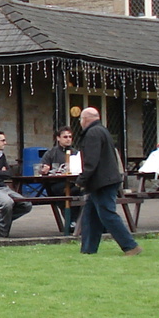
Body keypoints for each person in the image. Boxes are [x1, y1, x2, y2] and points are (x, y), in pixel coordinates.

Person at [75, 106, 141, 256]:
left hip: (102, 181)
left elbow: (91, 161)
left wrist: (82, 179)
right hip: (105, 179)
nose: (80, 122)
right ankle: (88, 250)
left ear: (85, 120)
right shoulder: (102, 130)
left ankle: (130, 246)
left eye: (81, 119)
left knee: (107, 214)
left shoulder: (92, 133)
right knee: (90, 215)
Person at [37, 125, 80, 235]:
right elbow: (41, 168)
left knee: (82, 191)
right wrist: (44, 169)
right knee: (71, 193)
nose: (68, 139)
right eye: (65, 137)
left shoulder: (76, 153)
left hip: (73, 183)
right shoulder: (51, 153)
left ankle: (78, 222)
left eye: (70, 136)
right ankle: (72, 222)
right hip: (57, 185)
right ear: (58, 138)